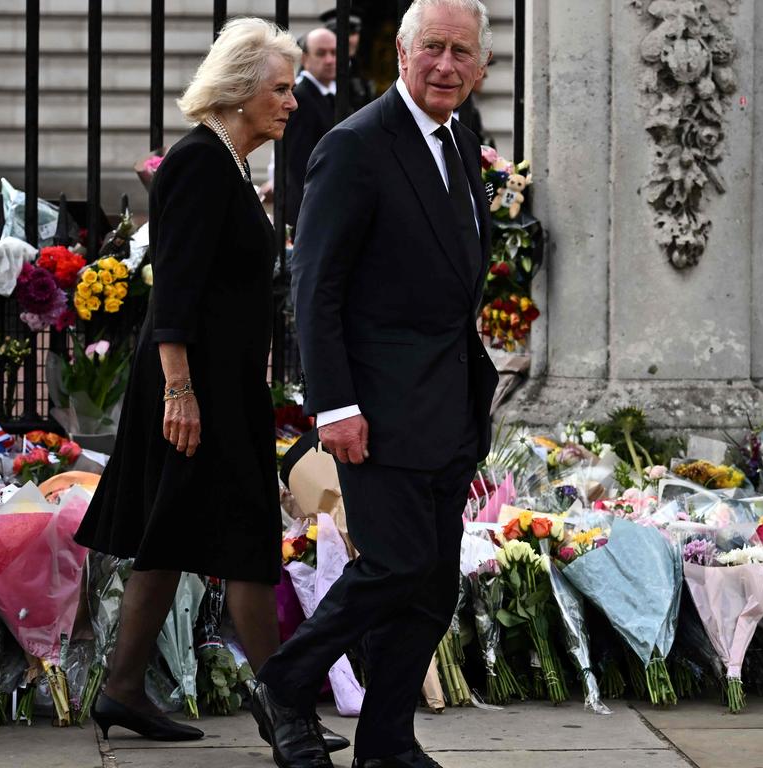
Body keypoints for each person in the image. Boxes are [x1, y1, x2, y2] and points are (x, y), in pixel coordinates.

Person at [73, 19, 347, 753]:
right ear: (238, 90)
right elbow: (177, 291)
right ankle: (285, 706)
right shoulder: (198, 163)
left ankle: (124, 687)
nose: (293, 103)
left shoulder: (225, 164)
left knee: (176, 538)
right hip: (195, 393)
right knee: (246, 541)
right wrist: (179, 390)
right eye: (281, 89)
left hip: (220, 388)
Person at [251, 2, 498, 767]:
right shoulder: (354, 146)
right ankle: (285, 684)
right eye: (433, 48)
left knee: (430, 587)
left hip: (448, 406)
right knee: (394, 565)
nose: (446, 65)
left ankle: (387, 739)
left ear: (480, 63)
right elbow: (315, 289)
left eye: (461, 51)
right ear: (400, 50)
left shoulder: (462, 137)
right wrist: (336, 406)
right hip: (377, 409)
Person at [283, 27, 337, 231]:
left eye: (334, 52)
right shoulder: (301, 97)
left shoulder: (334, 95)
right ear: (305, 58)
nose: (330, 59)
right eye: (321, 53)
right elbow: (299, 162)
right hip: (310, 209)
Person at [320, 6, 376, 112]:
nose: (348, 40)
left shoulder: (360, 69)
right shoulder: (317, 69)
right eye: (340, 33)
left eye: (353, 33)